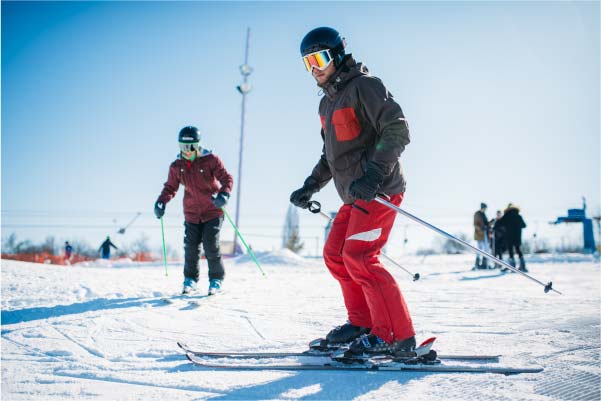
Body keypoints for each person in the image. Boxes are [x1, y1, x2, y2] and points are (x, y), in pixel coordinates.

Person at [290, 27, 415, 358]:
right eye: (307, 63)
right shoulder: (327, 105)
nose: (314, 68)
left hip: (379, 190)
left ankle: (394, 336)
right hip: (355, 196)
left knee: (360, 256)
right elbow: (331, 157)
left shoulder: (365, 87)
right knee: (335, 254)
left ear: (337, 55)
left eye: (319, 59)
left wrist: (374, 174)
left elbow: (397, 128)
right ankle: (362, 324)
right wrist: (310, 186)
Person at [154, 126, 233, 295]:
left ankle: (216, 280)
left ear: (197, 145)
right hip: (191, 213)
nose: (187, 151)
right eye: (183, 147)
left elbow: (227, 178)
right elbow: (170, 188)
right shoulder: (177, 166)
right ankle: (190, 279)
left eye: (190, 147)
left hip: (213, 210)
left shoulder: (210, 160)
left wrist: (224, 195)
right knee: (190, 247)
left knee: (210, 245)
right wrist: (161, 202)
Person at [499, 203, 527, 272]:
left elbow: (500, 223)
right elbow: (524, 225)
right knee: (518, 250)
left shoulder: (506, 215)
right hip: (517, 236)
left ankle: (512, 267)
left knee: (511, 251)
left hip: (509, 236)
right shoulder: (518, 216)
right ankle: (522, 265)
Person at [473, 202, 490, 269]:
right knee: (479, 249)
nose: (485, 209)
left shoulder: (484, 214)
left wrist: (490, 223)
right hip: (479, 234)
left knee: (486, 249)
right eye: (485, 208)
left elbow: (486, 224)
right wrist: (480, 229)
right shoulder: (477, 214)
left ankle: (484, 263)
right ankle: (477, 264)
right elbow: (475, 224)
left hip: (485, 234)